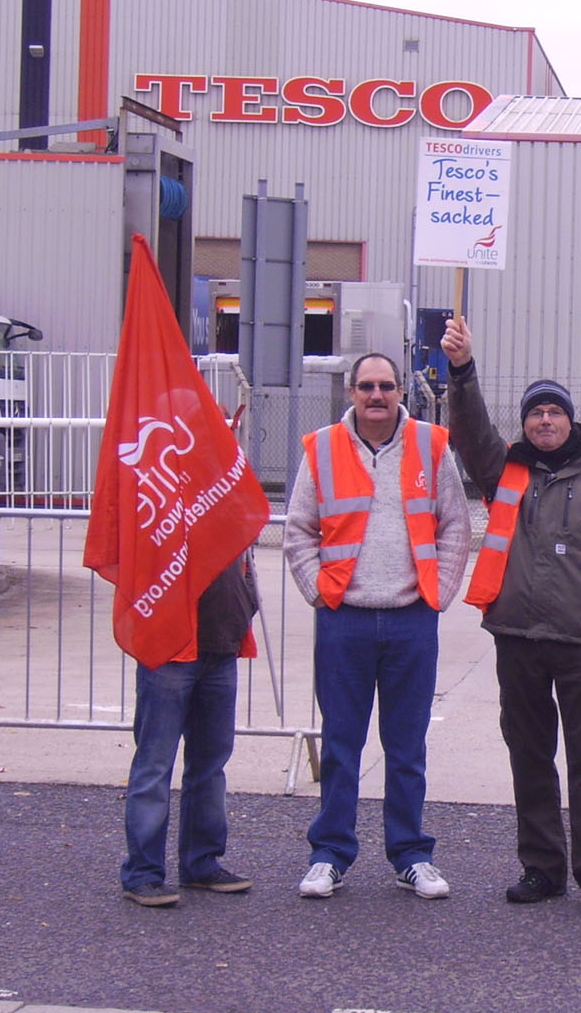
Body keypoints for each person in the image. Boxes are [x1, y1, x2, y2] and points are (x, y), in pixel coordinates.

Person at [441, 316, 581, 917]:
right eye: (534, 414)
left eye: (553, 413)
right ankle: (542, 868)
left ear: (570, 421)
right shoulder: (504, 470)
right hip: (517, 640)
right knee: (529, 757)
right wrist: (462, 370)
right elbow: (470, 429)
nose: (543, 421)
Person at [283, 352, 470, 901]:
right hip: (346, 621)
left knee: (406, 745)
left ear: (399, 392)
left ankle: (410, 855)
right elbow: (298, 531)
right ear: (351, 392)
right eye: (366, 386)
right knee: (342, 742)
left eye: (386, 386)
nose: (377, 396)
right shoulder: (321, 448)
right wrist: (320, 592)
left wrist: (439, 595)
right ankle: (330, 855)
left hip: (412, 619)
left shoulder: (431, 446)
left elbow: (456, 524)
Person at [120, 555, 260, 906]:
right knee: (155, 763)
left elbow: (243, 561)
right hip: (169, 645)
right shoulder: (164, 501)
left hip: (220, 642)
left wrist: (244, 606)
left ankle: (201, 862)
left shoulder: (224, 500)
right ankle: (144, 873)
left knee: (210, 763)